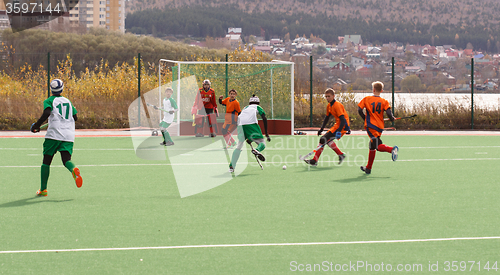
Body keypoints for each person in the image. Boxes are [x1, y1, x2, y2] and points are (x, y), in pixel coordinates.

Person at [30, 79, 82, 196]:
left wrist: (37, 125)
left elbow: (47, 113)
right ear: (62, 88)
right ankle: (73, 169)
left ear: (51, 89)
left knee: (46, 161)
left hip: (54, 135)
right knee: (66, 159)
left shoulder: (49, 101)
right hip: (68, 135)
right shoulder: (68, 101)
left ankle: (43, 189)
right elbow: (75, 117)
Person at [357, 81, 399, 174]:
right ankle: (368, 168)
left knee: (377, 145)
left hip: (371, 126)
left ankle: (391, 149)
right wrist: (392, 119)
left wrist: (365, 118)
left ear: (373, 90)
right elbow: (389, 113)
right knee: (372, 146)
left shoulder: (367, 99)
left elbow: (359, 110)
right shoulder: (384, 101)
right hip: (379, 127)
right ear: (382, 90)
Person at [304, 88, 350, 166]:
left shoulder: (337, 105)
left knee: (323, 139)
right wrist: (321, 129)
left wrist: (339, 131)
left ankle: (314, 160)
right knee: (326, 140)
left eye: (329, 96)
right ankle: (341, 155)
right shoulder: (329, 106)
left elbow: (343, 120)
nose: (327, 98)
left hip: (343, 125)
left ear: (333, 96)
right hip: (338, 125)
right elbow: (327, 118)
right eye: (326, 96)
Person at [229, 95, 271, 173]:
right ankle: (257, 150)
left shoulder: (245, 108)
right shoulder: (258, 107)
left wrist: (248, 137)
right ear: (258, 102)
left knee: (239, 146)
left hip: (240, 125)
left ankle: (232, 166)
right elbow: (264, 118)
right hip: (251, 124)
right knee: (262, 143)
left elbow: (240, 116)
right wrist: (267, 133)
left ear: (249, 102)